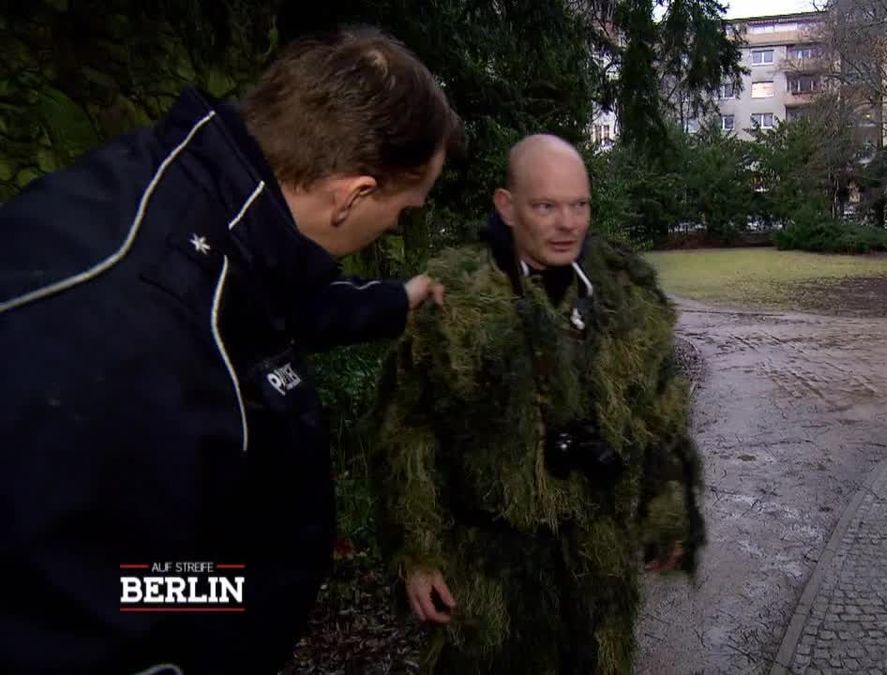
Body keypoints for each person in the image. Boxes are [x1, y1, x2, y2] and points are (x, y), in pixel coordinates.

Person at [0, 28, 457, 674]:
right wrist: (233, 589)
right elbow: (108, 600)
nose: (398, 224)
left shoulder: (213, 196)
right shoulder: (123, 340)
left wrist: (392, 301)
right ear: (353, 194)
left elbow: (269, 303)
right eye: (403, 210)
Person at [368, 134, 705, 673]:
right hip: (487, 577)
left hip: (596, 573)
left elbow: (661, 415)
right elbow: (406, 435)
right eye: (547, 206)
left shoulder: (622, 298)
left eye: (579, 205)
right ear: (507, 206)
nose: (568, 223)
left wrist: (667, 512)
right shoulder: (452, 302)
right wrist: (418, 554)